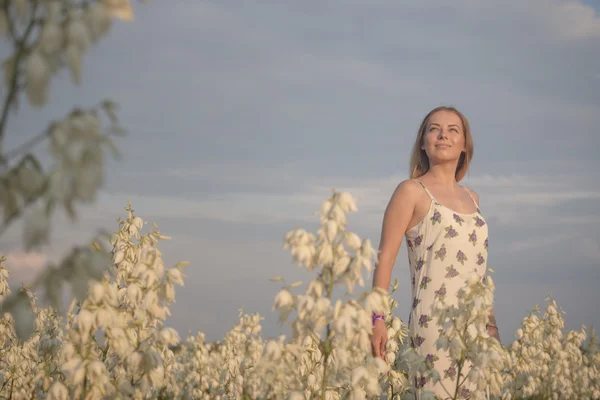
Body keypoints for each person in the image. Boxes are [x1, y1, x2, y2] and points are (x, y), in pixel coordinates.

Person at [370, 106, 500, 399]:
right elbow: (385, 259)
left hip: (476, 328)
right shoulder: (410, 191)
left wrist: (491, 327)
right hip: (433, 326)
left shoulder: (473, 198)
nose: (443, 135)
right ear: (422, 142)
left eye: (453, 130)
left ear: (465, 145)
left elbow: (478, 271)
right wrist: (377, 321)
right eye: (434, 129)